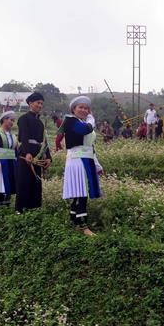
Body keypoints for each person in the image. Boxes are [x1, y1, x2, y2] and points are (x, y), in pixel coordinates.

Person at [62, 96, 103, 236]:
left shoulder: (81, 122)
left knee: (81, 191)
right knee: (81, 192)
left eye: (86, 108)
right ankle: (82, 226)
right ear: (73, 109)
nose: (84, 110)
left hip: (87, 159)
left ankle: (74, 220)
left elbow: (90, 147)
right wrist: (91, 119)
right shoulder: (71, 121)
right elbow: (85, 130)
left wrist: (97, 165)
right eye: (81, 107)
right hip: (77, 160)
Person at [15, 92, 51, 214]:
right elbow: (24, 137)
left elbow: (44, 142)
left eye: (41, 103)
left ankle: (34, 211)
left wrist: (48, 157)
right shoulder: (23, 119)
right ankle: (20, 211)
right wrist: (27, 153)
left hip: (37, 157)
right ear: (30, 103)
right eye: (38, 103)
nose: (40, 106)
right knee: (24, 182)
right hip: (26, 156)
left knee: (36, 184)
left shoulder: (41, 123)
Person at [0, 111, 17, 208]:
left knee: (8, 188)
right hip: (0, 162)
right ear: (4, 119)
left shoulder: (12, 135)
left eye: (13, 121)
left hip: (11, 163)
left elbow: (15, 150)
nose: (12, 123)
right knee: (0, 187)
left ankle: (6, 209)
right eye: (11, 120)